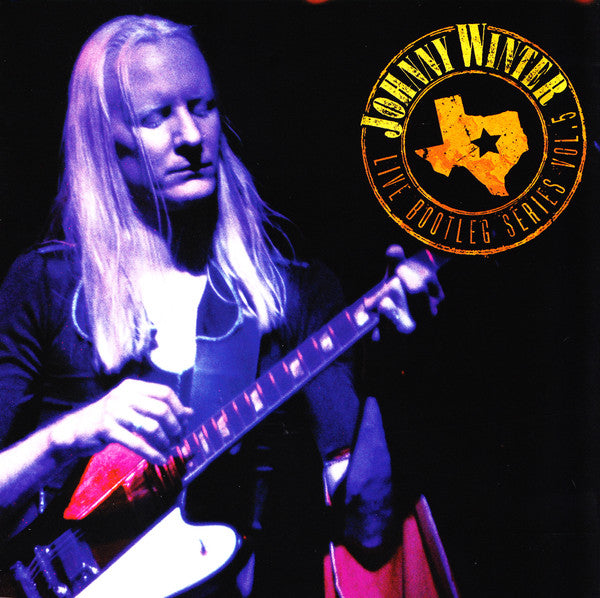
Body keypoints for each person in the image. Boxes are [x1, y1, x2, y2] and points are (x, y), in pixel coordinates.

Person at [0, 15, 447, 597]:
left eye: (203, 107)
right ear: (103, 139)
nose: (190, 136)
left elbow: (367, 525)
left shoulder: (290, 295)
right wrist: (65, 437)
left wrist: (391, 364)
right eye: (156, 117)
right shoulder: (47, 285)